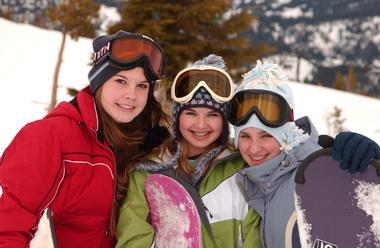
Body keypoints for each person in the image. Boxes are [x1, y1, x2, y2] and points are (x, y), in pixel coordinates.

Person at [0, 30, 171, 247]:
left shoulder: (143, 143)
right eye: (121, 81)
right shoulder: (48, 137)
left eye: (142, 86)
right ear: (99, 82)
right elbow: (8, 229)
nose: (132, 95)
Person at [229, 60, 380, 247]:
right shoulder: (255, 182)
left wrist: (369, 170)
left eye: (266, 136)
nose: (254, 148)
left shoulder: (319, 174)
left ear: (287, 132)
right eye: (245, 136)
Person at [116, 55, 261, 248]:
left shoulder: (242, 171)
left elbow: (254, 239)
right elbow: (132, 241)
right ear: (177, 117)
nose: (201, 125)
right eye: (191, 113)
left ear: (224, 121)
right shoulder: (147, 173)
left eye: (212, 115)